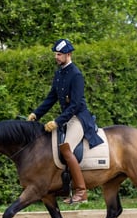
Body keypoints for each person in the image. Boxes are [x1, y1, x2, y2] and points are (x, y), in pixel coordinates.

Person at [27, 38, 103, 203]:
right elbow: (51, 98)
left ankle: (81, 191)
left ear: (68, 54)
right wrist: (36, 114)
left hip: (79, 118)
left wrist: (57, 121)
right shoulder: (59, 73)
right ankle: (62, 186)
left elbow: (75, 105)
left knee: (65, 147)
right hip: (67, 118)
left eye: (59, 54)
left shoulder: (76, 74)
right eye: (55, 54)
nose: (56, 57)